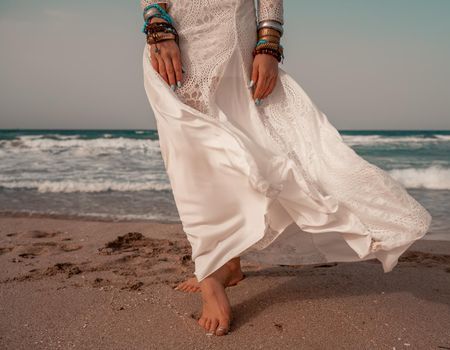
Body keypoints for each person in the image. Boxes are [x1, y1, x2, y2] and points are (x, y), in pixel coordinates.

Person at [140, 0, 432, 337]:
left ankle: (214, 269)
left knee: (250, 151)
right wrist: (157, 23)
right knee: (189, 157)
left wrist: (269, 43)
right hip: (170, 31)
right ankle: (222, 263)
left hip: (228, 33)